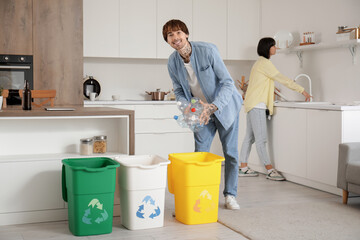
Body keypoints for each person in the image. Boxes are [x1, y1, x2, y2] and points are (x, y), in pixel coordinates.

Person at [162, 19, 243, 210]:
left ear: (187, 34)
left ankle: (230, 195)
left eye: (179, 33)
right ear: (167, 40)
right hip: (201, 112)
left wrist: (213, 106)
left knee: (230, 153)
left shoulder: (208, 50)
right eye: (170, 35)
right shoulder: (172, 62)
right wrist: (189, 107)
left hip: (224, 107)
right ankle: (199, 193)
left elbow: (227, 83)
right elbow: (179, 91)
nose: (176, 38)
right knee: (200, 154)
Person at [239, 37, 311, 181]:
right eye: (273, 46)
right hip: (257, 105)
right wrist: (302, 90)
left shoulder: (259, 63)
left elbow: (261, 82)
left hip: (251, 103)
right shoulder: (265, 63)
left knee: (250, 137)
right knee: (261, 139)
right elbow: (282, 78)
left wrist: (271, 88)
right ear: (268, 48)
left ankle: (243, 167)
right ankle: (270, 170)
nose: (276, 48)